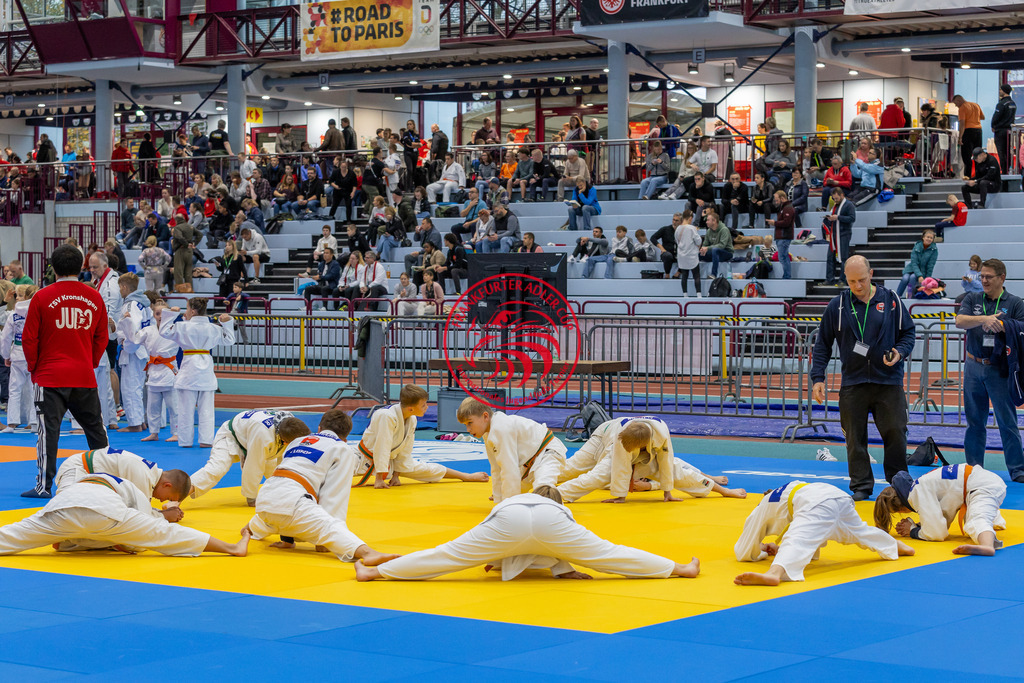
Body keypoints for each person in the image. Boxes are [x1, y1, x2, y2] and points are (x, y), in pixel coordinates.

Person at [355, 486, 700, 582]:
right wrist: (564, 567)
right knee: (610, 554)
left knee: (446, 555)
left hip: (508, 521)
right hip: (552, 526)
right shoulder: (560, 510)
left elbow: (516, 539)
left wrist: (492, 556)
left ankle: (373, 571)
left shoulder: (517, 498)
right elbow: (544, 540)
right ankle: (679, 569)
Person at [811, 256, 915, 500]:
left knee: (896, 433)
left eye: (862, 280)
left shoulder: (891, 301)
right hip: (853, 383)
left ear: (872, 273)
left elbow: (908, 334)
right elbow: (822, 345)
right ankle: (861, 486)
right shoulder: (837, 306)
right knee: (854, 437)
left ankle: (898, 484)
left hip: (888, 381)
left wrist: (899, 352)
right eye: (851, 281)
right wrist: (818, 378)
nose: (857, 286)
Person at [242, 410, 392, 565]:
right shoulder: (341, 448)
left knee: (275, 517)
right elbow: (334, 495)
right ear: (345, 438)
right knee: (328, 526)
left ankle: (252, 528)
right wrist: (323, 543)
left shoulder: (297, 441)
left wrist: (287, 540)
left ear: (319, 428)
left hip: (265, 500)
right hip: (293, 504)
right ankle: (368, 553)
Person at [21, 245, 109, 498]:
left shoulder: (42, 296)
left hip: (49, 376)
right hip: (82, 374)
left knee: (47, 432)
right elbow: (102, 337)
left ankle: (44, 486)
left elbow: (29, 339)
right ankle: (111, 481)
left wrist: (34, 368)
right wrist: (88, 361)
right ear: (81, 265)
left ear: (53, 267)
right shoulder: (94, 296)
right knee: (96, 431)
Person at [0, 472, 251, 557]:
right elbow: (154, 525)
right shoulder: (128, 486)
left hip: (61, 510)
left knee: (12, 535)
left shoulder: (81, 482)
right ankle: (232, 548)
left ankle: (75, 541)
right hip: (107, 513)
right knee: (164, 536)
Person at [733, 481, 913, 586]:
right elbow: (814, 535)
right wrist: (775, 548)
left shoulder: (760, 510)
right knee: (861, 533)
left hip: (817, 502)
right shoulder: (783, 495)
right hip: (838, 497)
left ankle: (774, 573)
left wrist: (763, 550)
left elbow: (743, 551)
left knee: (797, 538)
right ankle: (895, 546)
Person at [557, 417, 744, 503]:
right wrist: (620, 496)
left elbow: (666, 463)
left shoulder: (661, 432)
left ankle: (724, 491)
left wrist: (667, 493)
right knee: (574, 470)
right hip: (604, 437)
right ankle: (549, 492)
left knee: (676, 467)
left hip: (642, 450)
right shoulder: (623, 438)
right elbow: (620, 466)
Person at [955, 258, 1024, 483]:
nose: (983, 280)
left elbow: (1023, 326)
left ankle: (1017, 469)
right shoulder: (973, 298)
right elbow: (959, 321)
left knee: (1007, 421)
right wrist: (984, 319)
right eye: (982, 276)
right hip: (974, 366)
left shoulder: (1014, 303)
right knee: (975, 422)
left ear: (1002, 278)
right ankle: (974, 470)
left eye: (988, 277)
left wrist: (1004, 325)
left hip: (999, 370)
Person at [355, 384, 488, 488]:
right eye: (423, 405)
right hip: (362, 460)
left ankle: (466, 476)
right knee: (339, 472)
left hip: (390, 463)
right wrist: (379, 479)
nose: (427, 407)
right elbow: (382, 447)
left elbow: (405, 450)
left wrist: (396, 475)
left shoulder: (412, 419)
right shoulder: (386, 416)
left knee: (428, 469)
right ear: (411, 408)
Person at [875, 466, 1006, 557]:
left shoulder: (916, 493)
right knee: (974, 519)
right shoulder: (920, 485)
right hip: (979, 484)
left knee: (977, 520)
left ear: (902, 509)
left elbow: (937, 533)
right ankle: (993, 521)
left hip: (981, 487)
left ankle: (987, 546)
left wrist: (912, 531)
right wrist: (919, 525)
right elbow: (940, 513)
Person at [457, 397, 568, 503]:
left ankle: (558, 514)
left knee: (543, 490)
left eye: (470, 423)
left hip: (548, 453)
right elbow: (496, 468)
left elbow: (509, 468)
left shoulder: (501, 428)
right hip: (528, 463)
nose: (468, 429)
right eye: (465, 425)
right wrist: (499, 497)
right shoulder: (488, 433)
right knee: (514, 493)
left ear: (485, 416)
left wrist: (507, 505)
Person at [159, 297, 236, 448]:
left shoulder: (182, 327)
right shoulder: (214, 328)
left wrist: (170, 314)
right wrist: (227, 323)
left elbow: (163, 332)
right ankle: (206, 440)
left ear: (192, 311)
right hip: (206, 370)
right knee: (206, 410)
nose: (185, 312)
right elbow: (230, 341)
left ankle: (186, 441)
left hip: (189, 370)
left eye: (187, 309)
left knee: (185, 410)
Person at [189, 409, 310, 505]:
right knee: (217, 468)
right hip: (232, 437)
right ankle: (179, 494)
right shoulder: (264, 434)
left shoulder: (292, 425)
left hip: (255, 436)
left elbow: (286, 464)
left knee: (277, 473)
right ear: (284, 441)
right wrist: (251, 497)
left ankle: (289, 494)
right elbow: (254, 465)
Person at [126, 299, 179, 442]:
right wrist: (128, 322)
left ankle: (176, 432)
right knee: (152, 406)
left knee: (174, 406)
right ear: (153, 315)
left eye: (164, 313)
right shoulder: (148, 330)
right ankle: (154, 432)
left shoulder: (175, 329)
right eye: (157, 313)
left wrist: (176, 313)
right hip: (154, 370)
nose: (161, 316)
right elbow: (134, 339)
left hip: (169, 369)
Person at [53, 447, 178, 499]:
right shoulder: (144, 475)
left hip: (91, 480)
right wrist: (163, 516)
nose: (162, 501)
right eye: (167, 498)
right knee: (64, 504)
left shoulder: (149, 473)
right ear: (167, 485)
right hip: (78, 469)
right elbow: (142, 514)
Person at [114, 273, 151, 433]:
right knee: (137, 387)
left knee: (130, 388)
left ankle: (135, 423)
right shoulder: (144, 304)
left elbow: (132, 328)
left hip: (134, 352)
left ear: (123, 287)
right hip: (142, 351)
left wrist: (126, 343)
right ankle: (140, 421)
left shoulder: (131, 305)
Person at [0, 284, 37, 432]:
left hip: (17, 354)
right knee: (34, 389)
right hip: (34, 355)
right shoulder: (38, 313)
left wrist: (6, 355)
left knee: (14, 389)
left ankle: (12, 423)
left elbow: (6, 337)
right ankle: (34, 422)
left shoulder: (13, 315)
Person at [823, 188, 856, 286]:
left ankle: (842, 279)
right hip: (834, 234)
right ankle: (829, 279)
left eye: (836, 198)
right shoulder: (835, 206)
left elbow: (852, 218)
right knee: (830, 257)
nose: (835, 200)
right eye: (834, 199)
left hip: (844, 234)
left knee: (843, 258)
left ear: (842, 195)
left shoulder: (849, 205)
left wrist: (837, 217)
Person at [895, 229, 938, 298]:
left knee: (912, 277)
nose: (929, 239)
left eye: (931, 238)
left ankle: (910, 296)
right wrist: (919, 275)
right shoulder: (916, 247)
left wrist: (927, 279)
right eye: (927, 237)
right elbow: (914, 263)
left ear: (933, 240)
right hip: (911, 268)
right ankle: (896, 296)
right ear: (923, 237)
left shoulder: (934, 250)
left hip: (922, 271)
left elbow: (930, 266)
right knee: (905, 278)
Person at [766, 190, 795, 279]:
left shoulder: (788, 208)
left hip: (784, 236)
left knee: (782, 257)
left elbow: (786, 223)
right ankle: (786, 275)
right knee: (783, 256)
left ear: (782, 198)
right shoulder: (783, 208)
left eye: (776, 199)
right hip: (781, 236)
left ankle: (787, 276)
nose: (775, 201)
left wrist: (774, 223)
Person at [952, 94, 984, 174]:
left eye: (956, 104)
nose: (956, 106)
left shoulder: (962, 107)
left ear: (959, 101)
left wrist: (960, 138)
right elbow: (982, 117)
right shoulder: (976, 105)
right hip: (978, 130)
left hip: (968, 132)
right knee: (978, 154)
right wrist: (974, 117)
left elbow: (962, 124)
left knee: (966, 156)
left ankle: (968, 176)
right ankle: (978, 175)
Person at [698, 212, 733, 278]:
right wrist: (703, 249)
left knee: (715, 250)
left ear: (714, 221)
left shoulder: (724, 230)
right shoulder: (709, 231)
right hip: (715, 254)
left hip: (726, 253)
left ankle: (714, 274)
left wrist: (707, 248)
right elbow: (705, 244)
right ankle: (696, 275)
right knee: (699, 254)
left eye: (708, 220)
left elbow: (722, 245)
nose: (706, 222)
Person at [992, 84, 1016, 174]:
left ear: (1004, 91)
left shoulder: (1001, 104)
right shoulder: (1013, 103)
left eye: (1000, 89)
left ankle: (1004, 171)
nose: (999, 91)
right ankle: (1009, 169)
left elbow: (996, 117)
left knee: (1001, 152)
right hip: (1009, 131)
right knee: (1008, 152)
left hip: (1000, 131)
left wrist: (993, 125)